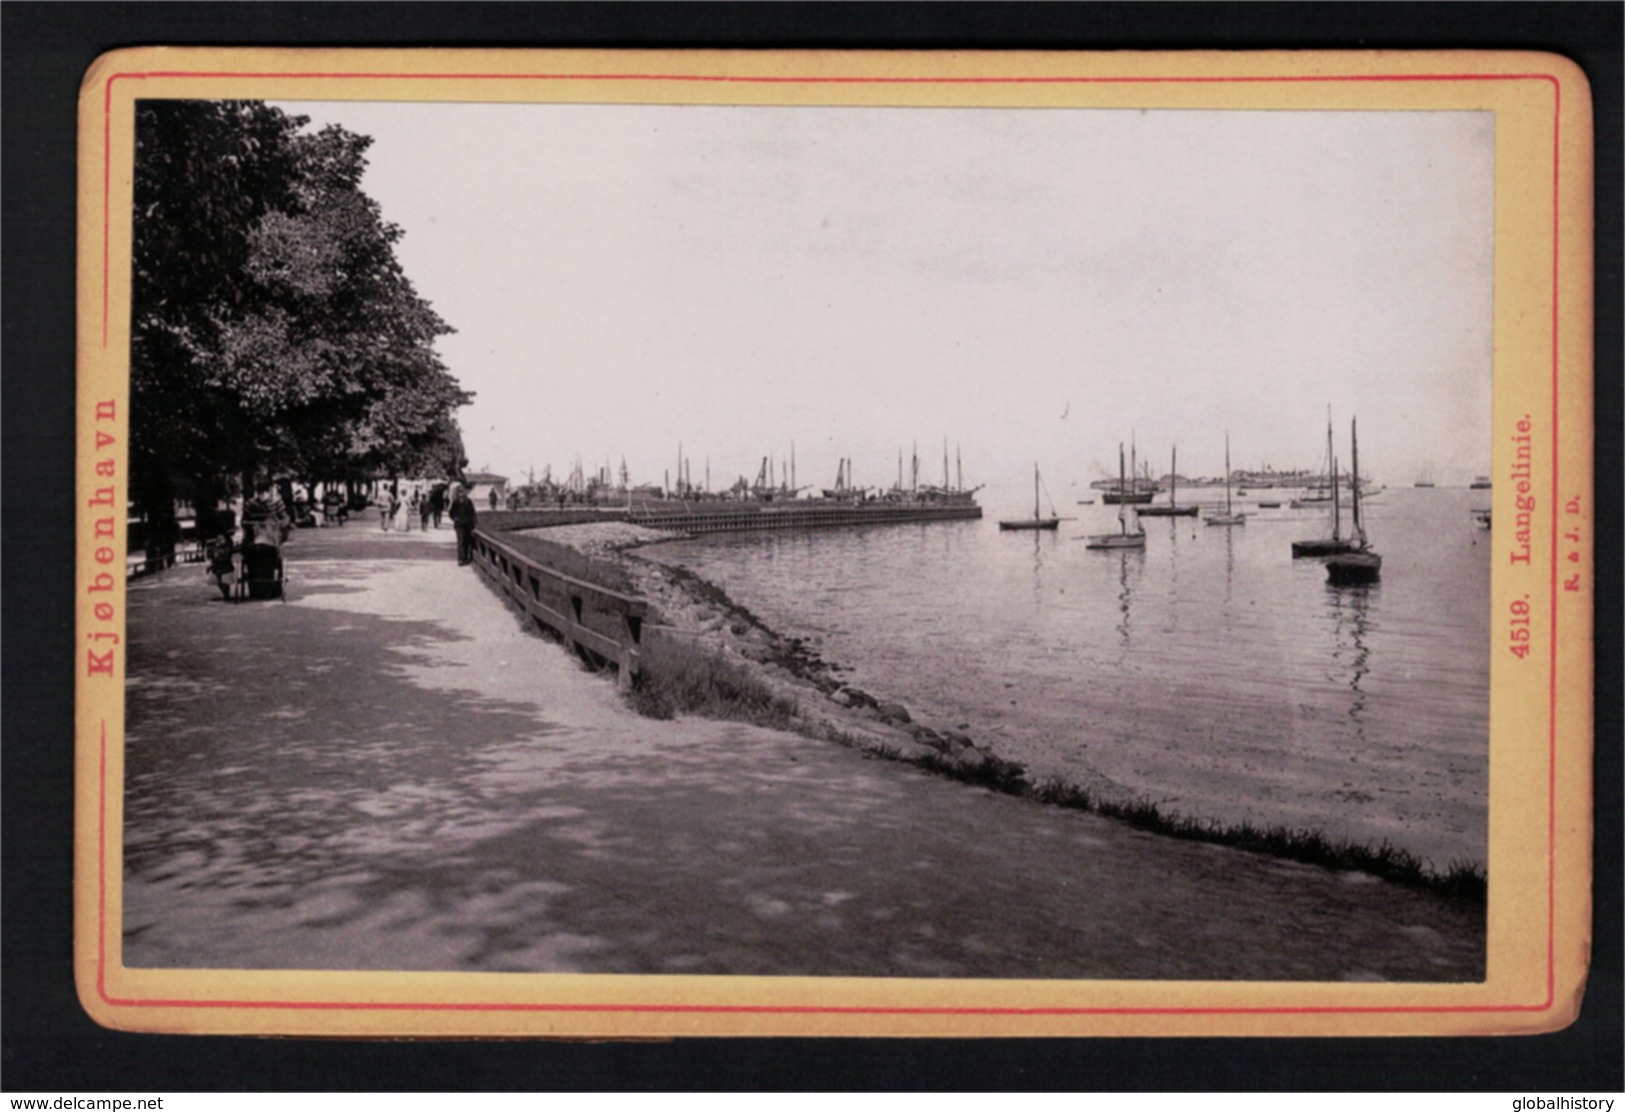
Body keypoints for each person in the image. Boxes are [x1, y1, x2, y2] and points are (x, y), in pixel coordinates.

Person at [448, 483, 478, 566]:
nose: (461, 494)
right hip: (459, 525)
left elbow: (472, 513)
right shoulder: (455, 502)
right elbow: (451, 513)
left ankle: (467, 558)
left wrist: (474, 522)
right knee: (461, 541)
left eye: (463, 492)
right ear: (458, 493)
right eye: (460, 492)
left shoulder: (468, 501)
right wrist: (455, 519)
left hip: (468, 524)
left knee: (467, 541)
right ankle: (461, 559)